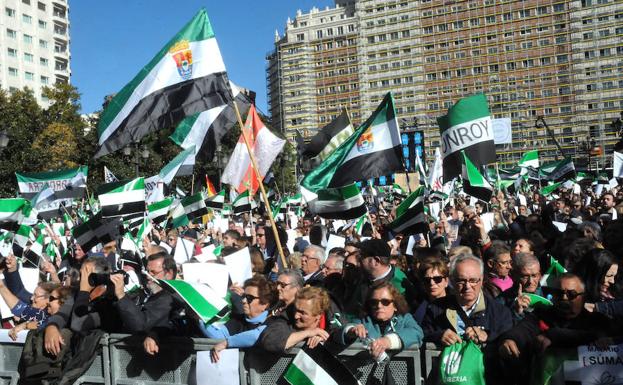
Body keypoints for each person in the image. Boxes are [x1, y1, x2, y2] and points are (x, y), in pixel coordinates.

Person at [498, 273, 616, 384]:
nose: (564, 298)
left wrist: (553, 335)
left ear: (583, 297)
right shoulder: (542, 314)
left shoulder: (597, 321)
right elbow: (525, 328)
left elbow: (593, 335)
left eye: (571, 294)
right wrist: (510, 339)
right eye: (559, 294)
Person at [421, 254, 512, 346]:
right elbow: (422, 335)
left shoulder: (500, 313)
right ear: (452, 281)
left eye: (473, 280)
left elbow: (508, 339)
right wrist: (438, 336)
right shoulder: (435, 309)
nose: (467, 286)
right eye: (461, 280)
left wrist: (488, 335)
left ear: (481, 280)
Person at [111, 252, 182, 355]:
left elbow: (142, 327)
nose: (148, 276)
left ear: (169, 273)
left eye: (153, 272)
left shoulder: (170, 298)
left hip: (155, 362)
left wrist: (121, 296)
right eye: (147, 272)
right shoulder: (147, 293)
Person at [339, 282, 423, 361]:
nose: (379, 306)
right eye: (374, 302)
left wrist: (388, 341)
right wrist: (351, 331)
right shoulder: (363, 321)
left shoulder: (405, 319)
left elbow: (417, 332)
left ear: (395, 305)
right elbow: (341, 331)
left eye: (385, 302)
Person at [204, 276, 276, 362]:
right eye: (243, 296)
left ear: (265, 303)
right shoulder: (238, 319)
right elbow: (219, 336)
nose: (243, 301)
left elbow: (256, 335)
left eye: (249, 298)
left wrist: (227, 343)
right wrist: (198, 319)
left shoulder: (272, 322)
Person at [258, 286, 331, 353]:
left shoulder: (331, 325)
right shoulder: (284, 321)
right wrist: (308, 333)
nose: (296, 316)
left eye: (302, 313)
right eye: (295, 309)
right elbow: (270, 341)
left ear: (318, 315)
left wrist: (324, 340)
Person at [413, 257, 449, 324]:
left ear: (446, 281)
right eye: (427, 280)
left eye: (437, 279)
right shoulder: (416, 307)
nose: (432, 283)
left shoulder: (456, 305)